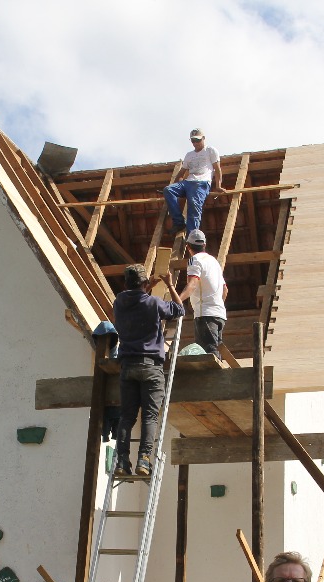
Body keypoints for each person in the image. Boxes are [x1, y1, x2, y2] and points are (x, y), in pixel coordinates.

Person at [112, 264, 184, 477]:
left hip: (127, 366)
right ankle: (144, 460)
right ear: (144, 284)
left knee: (127, 417)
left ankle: (122, 462)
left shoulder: (119, 302)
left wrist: (146, 285)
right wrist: (170, 285)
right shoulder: (153, 303)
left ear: (125, 284)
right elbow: (180, 310)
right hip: (151, 366)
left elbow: (133, 295)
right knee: (150, 416)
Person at [163, 129, 223, 236]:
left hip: (202, 183)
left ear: (203, 138)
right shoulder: (189, 155)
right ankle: (179, 222)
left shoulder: (210, 150)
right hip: (188, 182)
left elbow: (217, 170)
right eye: (193, 141)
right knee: (168, 190)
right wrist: (178, 187)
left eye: (197, 140)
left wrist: (218, 185)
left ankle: (191, 237)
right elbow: (181, 173)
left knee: (194, 206)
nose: (195, 143)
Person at [177, 229, 227, 355]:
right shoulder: (214, 262)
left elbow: (192, 284)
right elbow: (225, 290)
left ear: (188, 247)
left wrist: (177, 300)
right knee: (214, 351)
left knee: (208, 354)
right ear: (204, 245)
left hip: (205, 314)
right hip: (219, 314)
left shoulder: (195, 260)